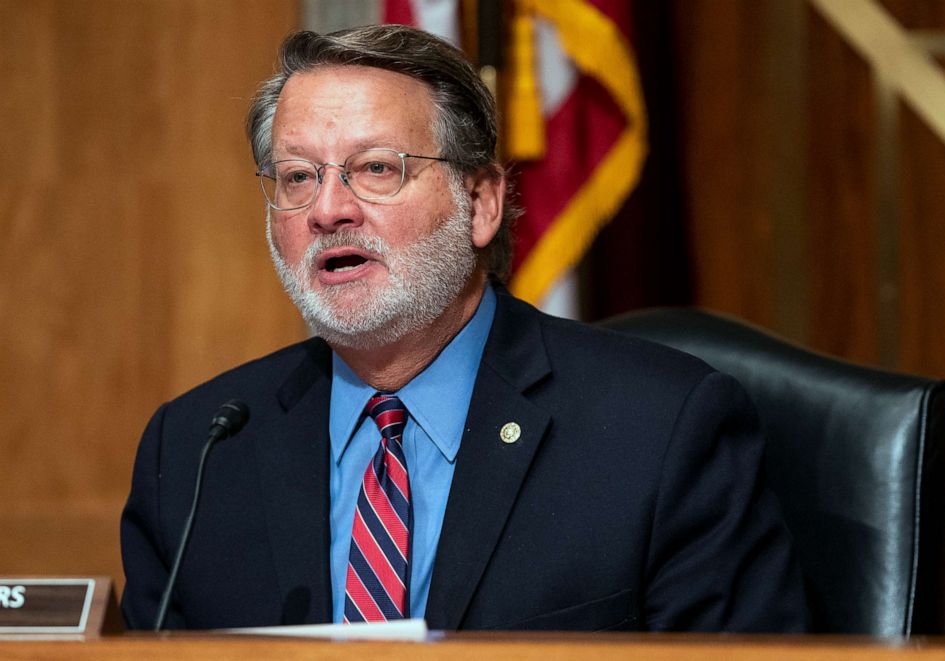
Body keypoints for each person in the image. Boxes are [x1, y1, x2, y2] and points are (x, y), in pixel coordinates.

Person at [121, 25, 807, 632]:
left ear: (480, 203)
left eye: (375, 169)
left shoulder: (658, 432)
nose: (328, 209)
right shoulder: (194, 453)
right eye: (297, 177)